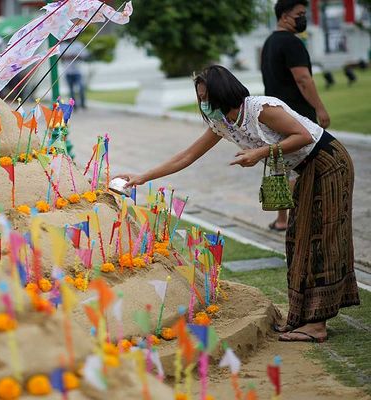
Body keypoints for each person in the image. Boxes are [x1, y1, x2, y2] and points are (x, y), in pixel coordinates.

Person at [116, 65, 360, 342]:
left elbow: (303, 136)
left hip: (328, 163)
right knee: (298, 239)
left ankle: (316, 325)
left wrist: (259, 153)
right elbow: (186, 156)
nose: (203, 104)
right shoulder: (222, 122)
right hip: (305, 170)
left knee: (320, 239)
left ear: (222, 93)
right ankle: (302, 318)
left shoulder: (260, 109)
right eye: (201, 98)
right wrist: (142, 177)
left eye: (206, 97)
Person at [261, 0, 331, 232]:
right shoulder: (292, 43)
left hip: (275, 116)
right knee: (305, 168)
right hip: (297, 117)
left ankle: (282, 220)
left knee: (282, 165)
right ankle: (303, 218)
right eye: (299, 14)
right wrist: (320, 108)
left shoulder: (270, 43)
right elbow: (303, 79)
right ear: (283, 16)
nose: (303, 18)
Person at [61, 40, 89, 109]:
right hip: (68, 71)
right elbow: (62, 57)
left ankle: (82, 103)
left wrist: (72, 56)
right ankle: (74, 105)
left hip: (78, 71)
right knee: (71, 90)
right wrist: (73, 56)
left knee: (81, 87)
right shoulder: (63, 45)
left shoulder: (79, 44)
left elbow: (84, 55)